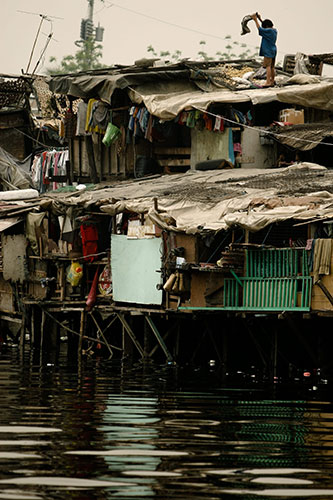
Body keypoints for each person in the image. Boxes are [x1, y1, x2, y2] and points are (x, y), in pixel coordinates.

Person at [251, 13, 277, 87]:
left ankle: (268, 82)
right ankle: (272, 81)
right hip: (273, 50)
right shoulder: (274, 30)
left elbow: (260, 29)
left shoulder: (268, 31)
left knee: (268, 66)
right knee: (272, 66)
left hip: (268, 50)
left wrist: (255, 20)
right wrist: (260, 19)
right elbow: (265, 27)